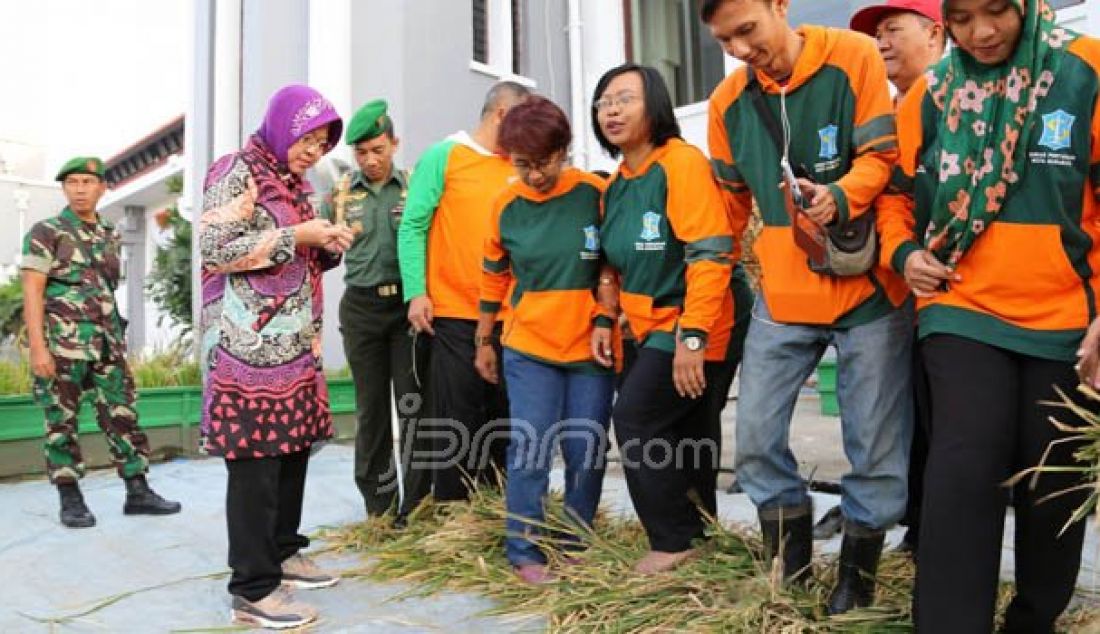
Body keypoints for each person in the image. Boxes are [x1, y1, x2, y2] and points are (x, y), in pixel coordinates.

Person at [876, 0, 1100, 629]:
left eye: (997, 11)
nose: (981, 33)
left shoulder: (1083, 71)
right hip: (961, 305)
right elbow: (897, 197)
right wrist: (906, 251)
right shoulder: (930, 94)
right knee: (963, 467)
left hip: (1065, 316)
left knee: (1054, 482)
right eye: (963, 16)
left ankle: (1033, 620)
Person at [703, 0, 913, 614]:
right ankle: (789, 563)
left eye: (747, 29)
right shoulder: (726, 104)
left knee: (873, 442)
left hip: (868, 290)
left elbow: (884, 156)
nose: (740, 48)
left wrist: (841, 195)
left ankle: (857, 578)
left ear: (779, 7)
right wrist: (707, 295)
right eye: (725, 40)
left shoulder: (852, 57)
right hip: (784, 294)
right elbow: (726, 208)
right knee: (757, 434)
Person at [200, 84, 354, 629]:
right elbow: (216, 250)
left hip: (292, 349)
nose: (314, 150)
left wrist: (326, 245)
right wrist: (297, 234)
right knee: (255, 467)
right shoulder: (235, 170)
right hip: (245, 352)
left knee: (291, 453)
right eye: (307, 138)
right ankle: (252, 586)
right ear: (283, 126)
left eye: (322, 142)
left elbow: (296, 257)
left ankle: (283, 551)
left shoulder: (295, 185)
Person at [592, 63, 735, 575]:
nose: (611, 110)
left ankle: (672, 540)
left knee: (635, 419)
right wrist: (606, 317)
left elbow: (711, 253)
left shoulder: (681, 163)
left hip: (697, 320)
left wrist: (692, 338)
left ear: (654, 105)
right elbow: (610, 262)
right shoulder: (618, 184)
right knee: (686, 428)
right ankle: (701, 532)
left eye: (625, 99)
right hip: (648, 327)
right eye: (605, 101)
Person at [473, 96, 616, 584]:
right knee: (530, 449)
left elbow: (610, 264)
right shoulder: (504, 206)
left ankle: (576, 540)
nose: (535, 175)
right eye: (522, 164)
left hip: (590, 348)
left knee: (586, 448)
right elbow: (493, 276)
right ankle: (524, 551)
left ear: (565, 150)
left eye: (545, 162)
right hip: (529, 346)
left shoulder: (594, 194)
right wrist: (484, 339)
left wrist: (605, 315)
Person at [831, 0, 946, 554]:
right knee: (901, 414)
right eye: (875, 35)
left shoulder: (950, 100)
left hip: (942, 290)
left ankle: (929, 528)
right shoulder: (888, 106)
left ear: (936, 34)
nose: (881, 44)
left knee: (936, 416)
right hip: (891, 287)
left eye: (892, 30)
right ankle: (913, 521)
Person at [22, 156, 182, 529]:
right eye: (72, 182)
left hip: (107, 344)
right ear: (64, 188)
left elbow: (106, 289)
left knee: (122, 415)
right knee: (61, 422)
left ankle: (137, 491)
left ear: (101, 187)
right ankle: (70, 496)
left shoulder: (108, 233)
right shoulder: (47, 231)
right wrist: (39, 348)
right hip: (63, 345)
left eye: (87, 182)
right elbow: (33, 291)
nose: (79, 189)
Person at [397, 81, 530, 502]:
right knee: (458, 416)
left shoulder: (521, 164)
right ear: (500, 116)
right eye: (522, 122)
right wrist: (416, 292)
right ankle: (455, 511)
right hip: (455, 311)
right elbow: (413, 224)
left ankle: (503, 509)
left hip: (511, 315)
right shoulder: (445, 156)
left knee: (506, 416)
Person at [324, 99, 430, 525]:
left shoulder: (414, 189)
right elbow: (318, 252)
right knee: (370, 410)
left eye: (378, 150)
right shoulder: (339, 195)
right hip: (362, 308)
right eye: (361, 152)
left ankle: (417, 505)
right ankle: (380, 507)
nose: (370, 160)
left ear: (395, 144)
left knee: (412, 404)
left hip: (406, 309)